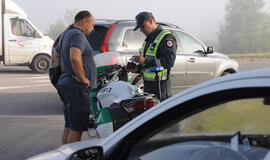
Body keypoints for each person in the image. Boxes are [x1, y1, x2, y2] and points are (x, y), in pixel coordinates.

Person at [54, 10, 97, 144]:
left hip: (66, 83)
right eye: (92, 25)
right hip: (76, 87)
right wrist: (82, 77)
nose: (93, 29)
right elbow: (74, 56)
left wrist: (65, 70)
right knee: (77, 128)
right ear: (85, 21)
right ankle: (71, 155)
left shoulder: (66, 33)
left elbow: (56, 55)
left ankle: (64, 154)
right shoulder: (78, 35)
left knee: (69, 125)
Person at [131, 11, 177, 101]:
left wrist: (145, 61)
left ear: (151, 21)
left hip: (161, 88)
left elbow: (169, 61)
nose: (141, 30)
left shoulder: (166, 37)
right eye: (140, 28)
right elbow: (149, 63)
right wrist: (138, 67)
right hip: (148, 87)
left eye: (143, 26)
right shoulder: (148, 40)